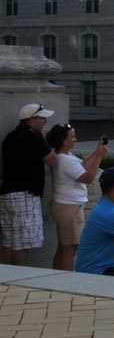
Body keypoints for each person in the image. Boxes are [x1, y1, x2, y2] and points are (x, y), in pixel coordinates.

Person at [45, 123, 108, 270]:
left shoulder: (65, 156)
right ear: (62, 139)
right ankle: (66, 283)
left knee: (63, 246)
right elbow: (87, 178)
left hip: (64, 206)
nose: (76, 139)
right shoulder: (65, 160)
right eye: (72, 137)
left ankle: (56, 278)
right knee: (70, 250)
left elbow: (83, 165)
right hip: (70, 208)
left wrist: (97, 152)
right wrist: (99, 156)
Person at [0, 103, 57, 265]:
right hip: (25, 194)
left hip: (7, 194)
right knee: (22, 242)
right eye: (42, 118)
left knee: (9, 239)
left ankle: (6, 277)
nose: (45, 121)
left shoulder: (10, 136)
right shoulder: (33, 136)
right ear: (31, 120)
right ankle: (19, 278)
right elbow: (52, 161)